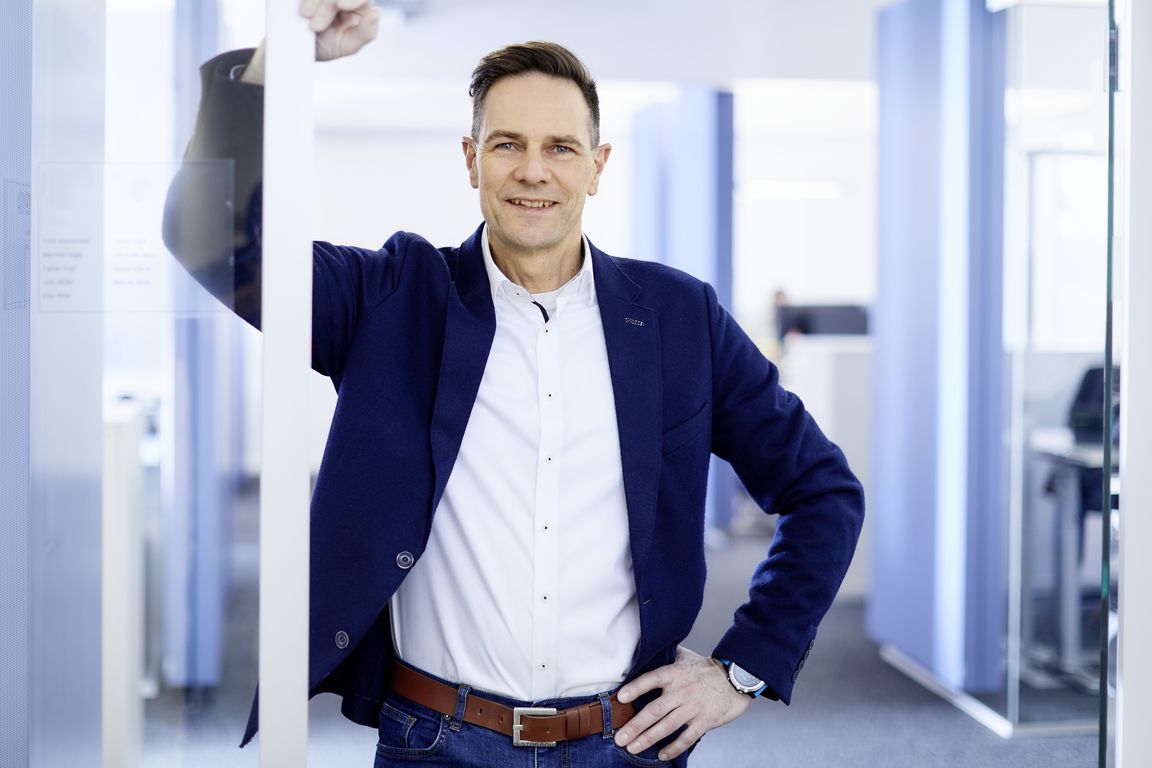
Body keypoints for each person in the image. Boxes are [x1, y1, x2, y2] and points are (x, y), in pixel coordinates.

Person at [163, 1, 864, 765]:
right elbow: (210, 240)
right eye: (507, 145)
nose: (534, 170)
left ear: (597, 166)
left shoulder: (677, 317)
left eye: (561, 147)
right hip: (437, 743)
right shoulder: (392, 300)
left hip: (623, 744)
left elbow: (822, 490)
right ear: (472, 160)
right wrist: (280, 59)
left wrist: (744, 667)